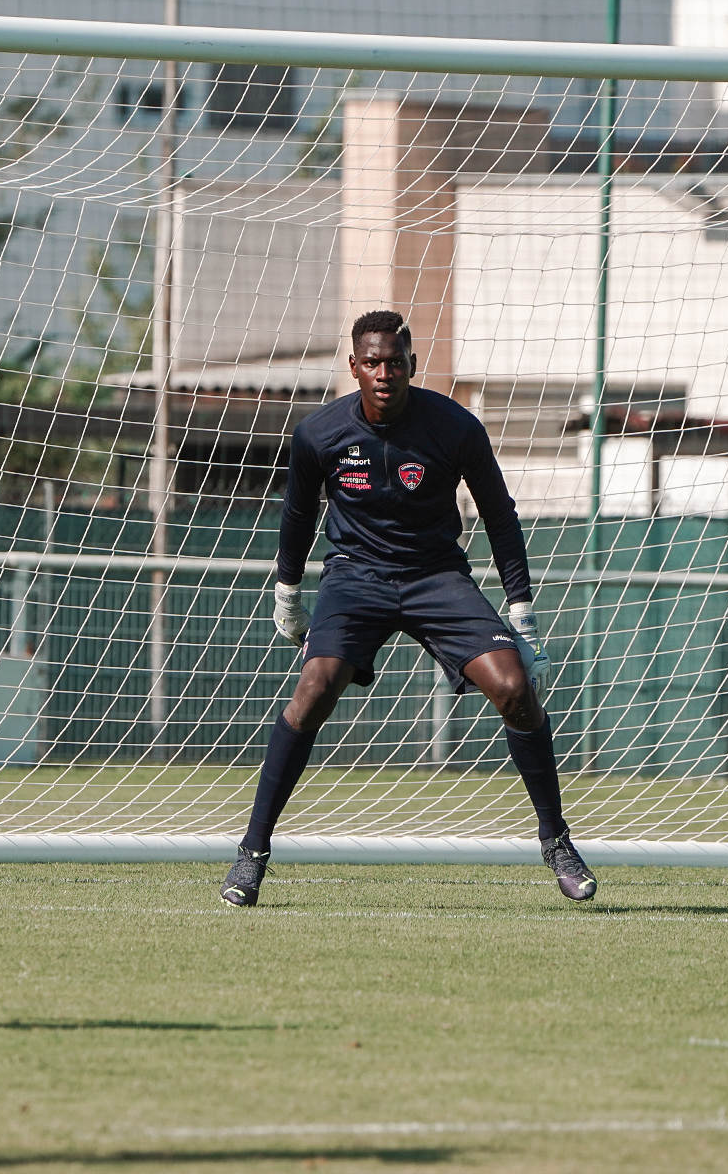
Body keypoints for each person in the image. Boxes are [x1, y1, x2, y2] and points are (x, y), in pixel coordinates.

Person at [220, 309, 597, 908]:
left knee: (515, 688)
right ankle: (252, 852)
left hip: (436, 576)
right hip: (355, 577)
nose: (384, 372)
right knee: (314, 688)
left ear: (412, 366)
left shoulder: (455, 427)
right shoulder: (319, 435)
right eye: (372, 362)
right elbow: (297, 517)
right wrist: (287, 593)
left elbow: (499, 514)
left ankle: (557, 843)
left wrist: (520, 608)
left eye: (395, 361)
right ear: (354, 367)